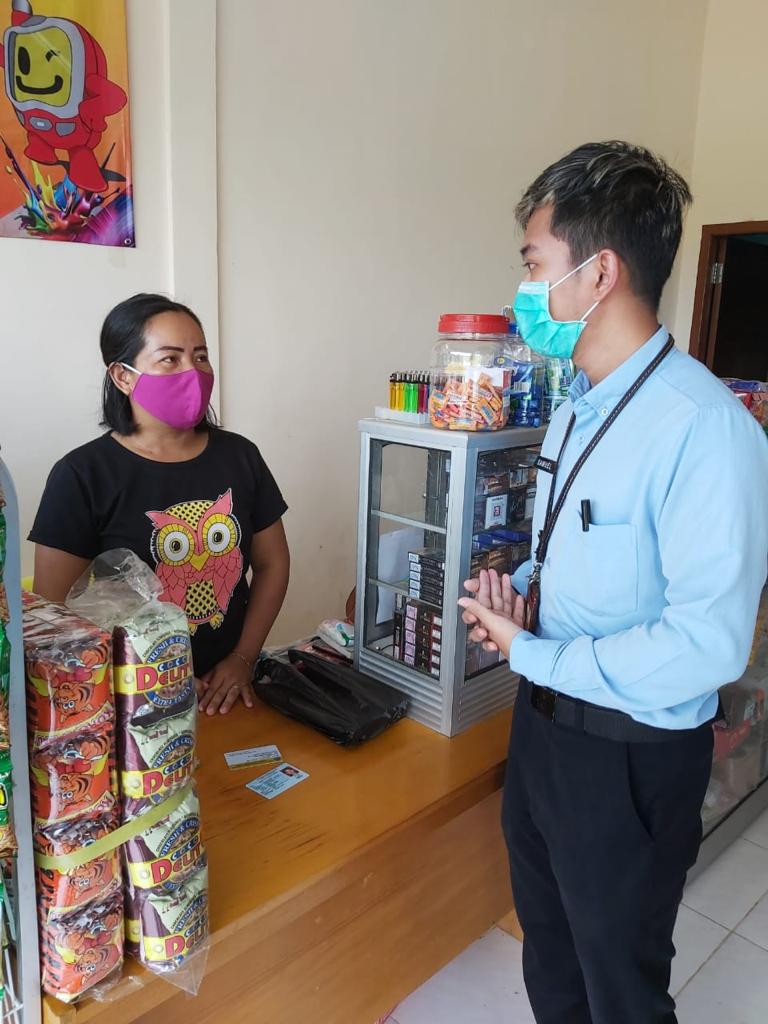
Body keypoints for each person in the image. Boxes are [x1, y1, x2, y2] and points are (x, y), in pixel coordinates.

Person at [458, 141, 768, 1024]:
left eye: (535, 265)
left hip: (630, 758)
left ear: (599, 274)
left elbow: (706, 645)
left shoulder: (707, 429)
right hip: (544, 734)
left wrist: (533, 653)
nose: (525, 289)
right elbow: (568, 546)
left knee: (621, 985)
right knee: (551, 953)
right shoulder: (577, 408)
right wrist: (523, 592)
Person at [30, 293, 290, 716]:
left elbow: (272, 563)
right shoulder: (81, 475)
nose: (193, 371)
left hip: (227, 688)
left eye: (200, 356)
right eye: (170, 358)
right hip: (129, 700)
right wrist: (146, 678)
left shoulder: (240, 456)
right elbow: (55, 612)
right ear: (123, 376)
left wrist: (243, 658)